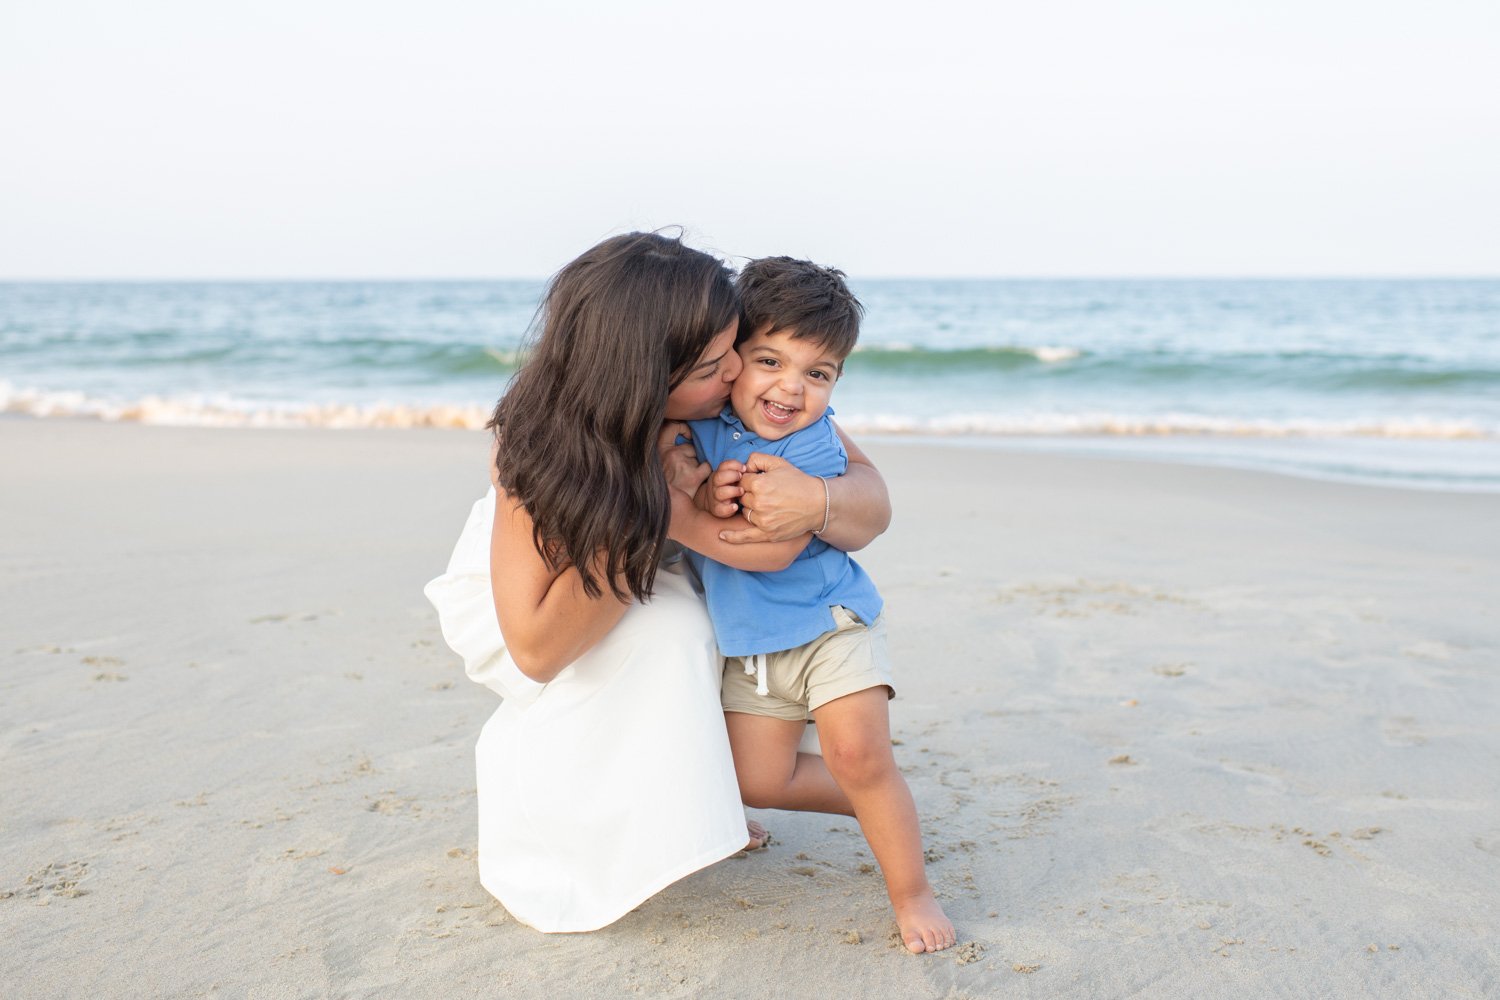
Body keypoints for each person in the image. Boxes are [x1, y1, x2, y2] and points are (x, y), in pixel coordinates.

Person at [423, 232, 892, 933]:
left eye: (737, 346)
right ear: (650, 379)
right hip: (542, 602)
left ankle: (704, 798)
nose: (738, 369)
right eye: (714, 363)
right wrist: (655, 514)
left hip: (656, 556)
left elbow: (871, 496)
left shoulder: (728, 404)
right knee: (672, 629)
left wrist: (819, 504)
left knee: (696, 617)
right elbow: (535, 649)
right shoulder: (537, 447)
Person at [668, 256, 956, 954]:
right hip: (752, 641)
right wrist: (705, 493)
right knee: (757, 780)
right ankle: (884, 796)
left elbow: (772, 543)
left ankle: (910, 889)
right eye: (770, 360)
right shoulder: (698, 425)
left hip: (830, 624)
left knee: (857, 751)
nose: (791, 389)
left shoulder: (813, 444)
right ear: (731, 359)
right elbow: (703, 494)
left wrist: (704, 503)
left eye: (819, 374)